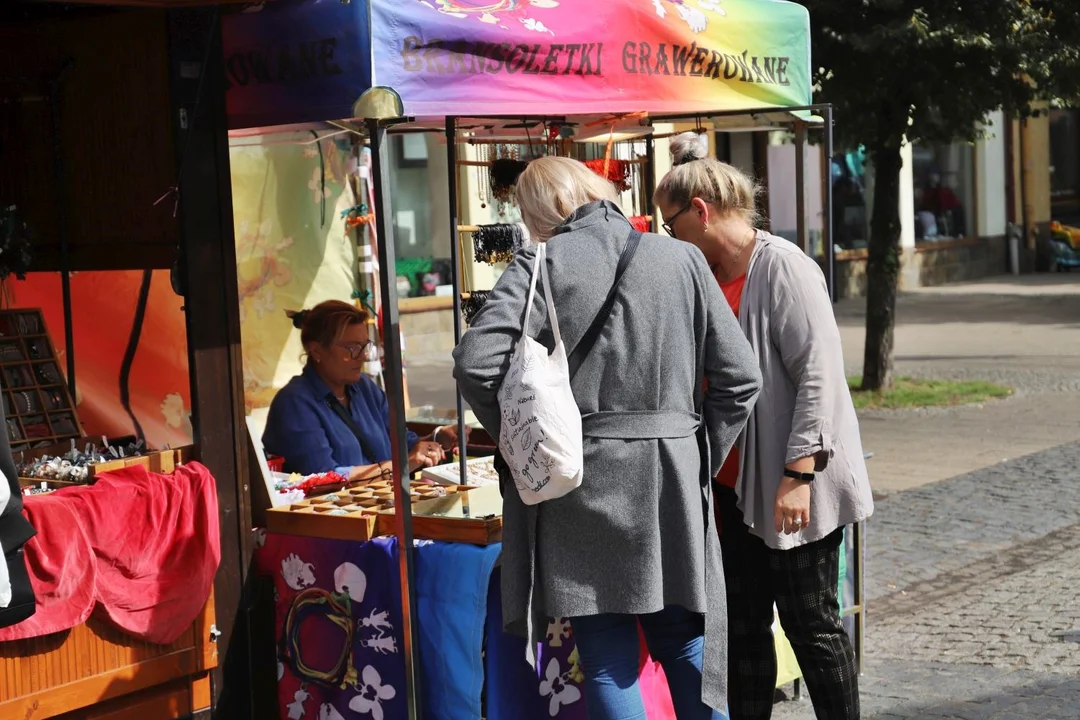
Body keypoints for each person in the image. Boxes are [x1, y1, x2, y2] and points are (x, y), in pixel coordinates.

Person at [453, 156, 762, 720]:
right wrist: (698, 454)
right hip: (671, 478)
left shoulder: (540, 263)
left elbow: (476, 364)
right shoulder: (684, 259)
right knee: (685, 640)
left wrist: (524, 445)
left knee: (608, 662)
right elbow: (741, 378)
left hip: (580, 482)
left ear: (543, 211)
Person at [655, 134, 875, 720]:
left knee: (811, 624)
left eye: (671, 226)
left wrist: (798, 472)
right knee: (744, 629)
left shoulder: (784, 268)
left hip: (790, 481)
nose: (669, 238)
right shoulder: (704, 274)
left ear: (700, 213)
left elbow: (820, 377)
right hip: (731, 487)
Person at [263, 300, 458, 479]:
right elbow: (323, 477)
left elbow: (400, 440)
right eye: (352, 347)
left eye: (364, 346)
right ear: (316, 351)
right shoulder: (294, 403)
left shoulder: (363, 387)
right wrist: (403, 465)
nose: (363, 356)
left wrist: (435, 439)